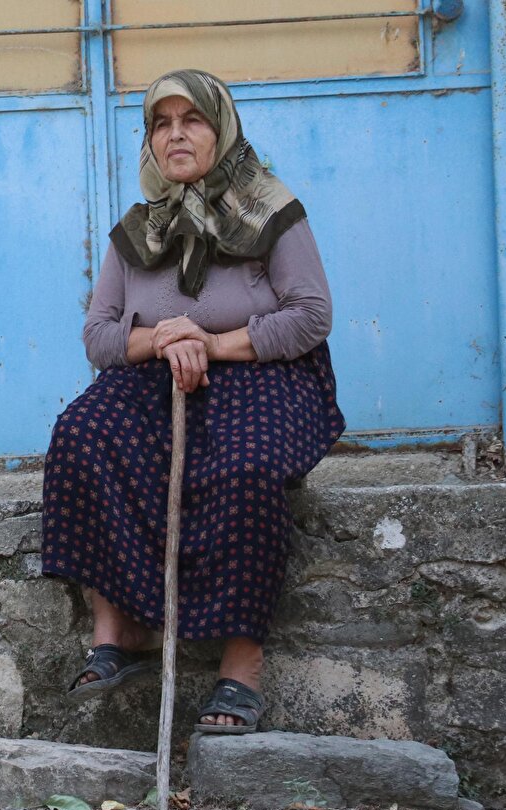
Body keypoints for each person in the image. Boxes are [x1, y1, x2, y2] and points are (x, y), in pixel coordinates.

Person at [41, 69, 344, 734]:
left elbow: (311, 315)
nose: (175, 134)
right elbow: (98, 336)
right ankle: (119, 630)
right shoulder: (138, 229)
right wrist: (161, 339)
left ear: (221, 129)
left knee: (245, 466)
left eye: (192, 120)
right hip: (158, 376)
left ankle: (241, 668)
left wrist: (211, 341)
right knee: (81, 434)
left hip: (263, 371)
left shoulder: (272, 211)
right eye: (161, 122)